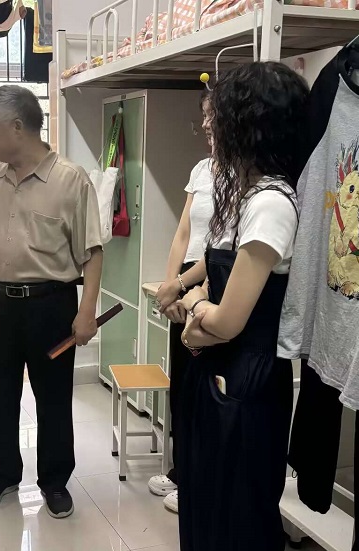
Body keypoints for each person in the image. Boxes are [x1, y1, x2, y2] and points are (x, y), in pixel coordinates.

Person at [0, 85, 103, 519]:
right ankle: (1, 475)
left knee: (53, 399)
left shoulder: (70, 179)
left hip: (51, 305)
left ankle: (54, 482)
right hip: (1, 303)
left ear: (17, 126)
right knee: (2, 394)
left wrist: (86, 312)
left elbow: (92, 252)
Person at [174, 63, 308, 551]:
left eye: (220, 116)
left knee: (238, 518)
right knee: (204, 502)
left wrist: (193, 303)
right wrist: (200, 312)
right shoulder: (243, 193)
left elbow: (227, 321)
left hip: (246, 381)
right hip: (220, 370)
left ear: (251, 124)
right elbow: (215, 297)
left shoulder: (272, 203)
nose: (209, 125)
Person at [147, 90, 214, 514]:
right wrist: (170, 284)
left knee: (205, 387)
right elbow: (183, 232)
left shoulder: (248, 176)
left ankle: (199, 480)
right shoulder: (202, 169)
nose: (205, 124)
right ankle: (182, 470)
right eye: (203, 116)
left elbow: (224, 250)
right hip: (186, 276)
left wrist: (187, 287)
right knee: (183, 387)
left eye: (212, 116)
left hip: (214, 279)